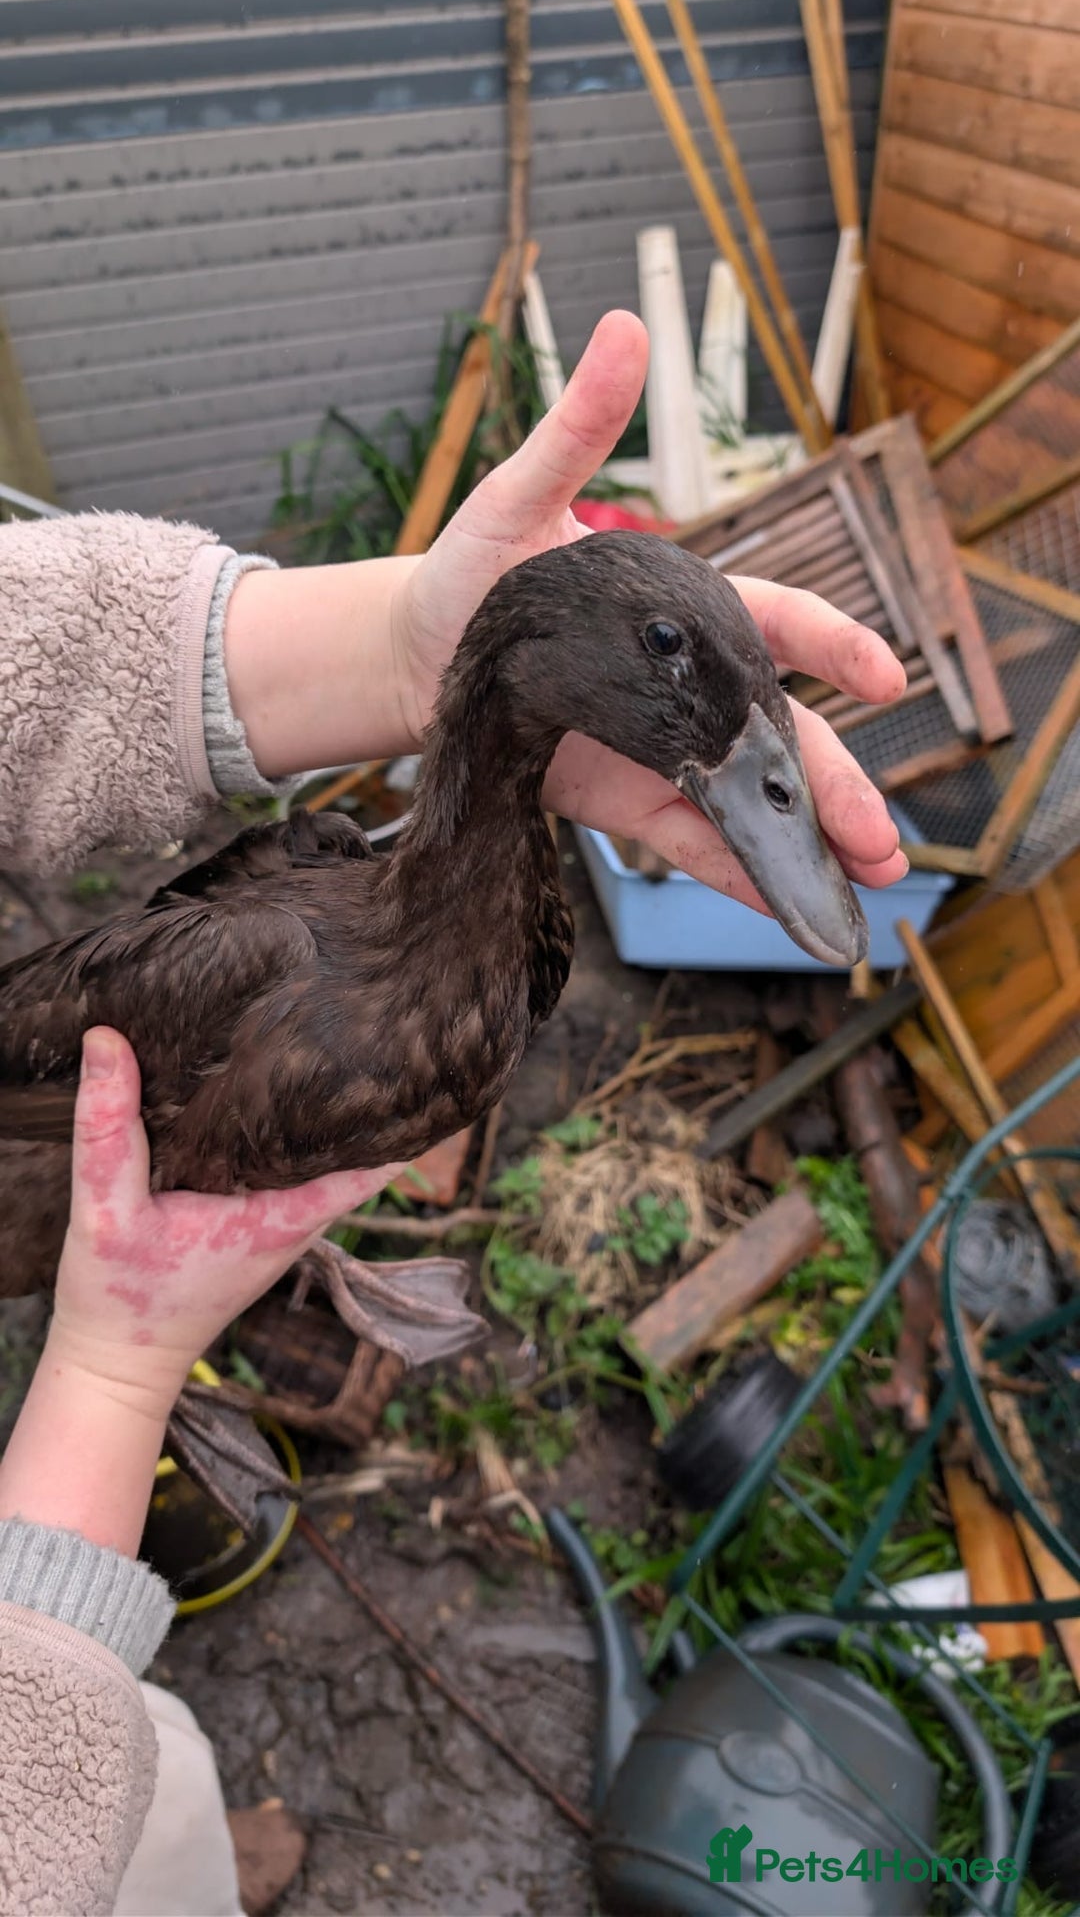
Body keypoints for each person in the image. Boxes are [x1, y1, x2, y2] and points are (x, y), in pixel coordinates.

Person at [0, 311, 907, 1914]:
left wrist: (374, 647)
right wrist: (114, 1356)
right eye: (692, 685)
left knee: (169, 1804)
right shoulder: (242, 975)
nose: (752, 774)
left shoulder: (514, 915)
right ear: (532, 685)